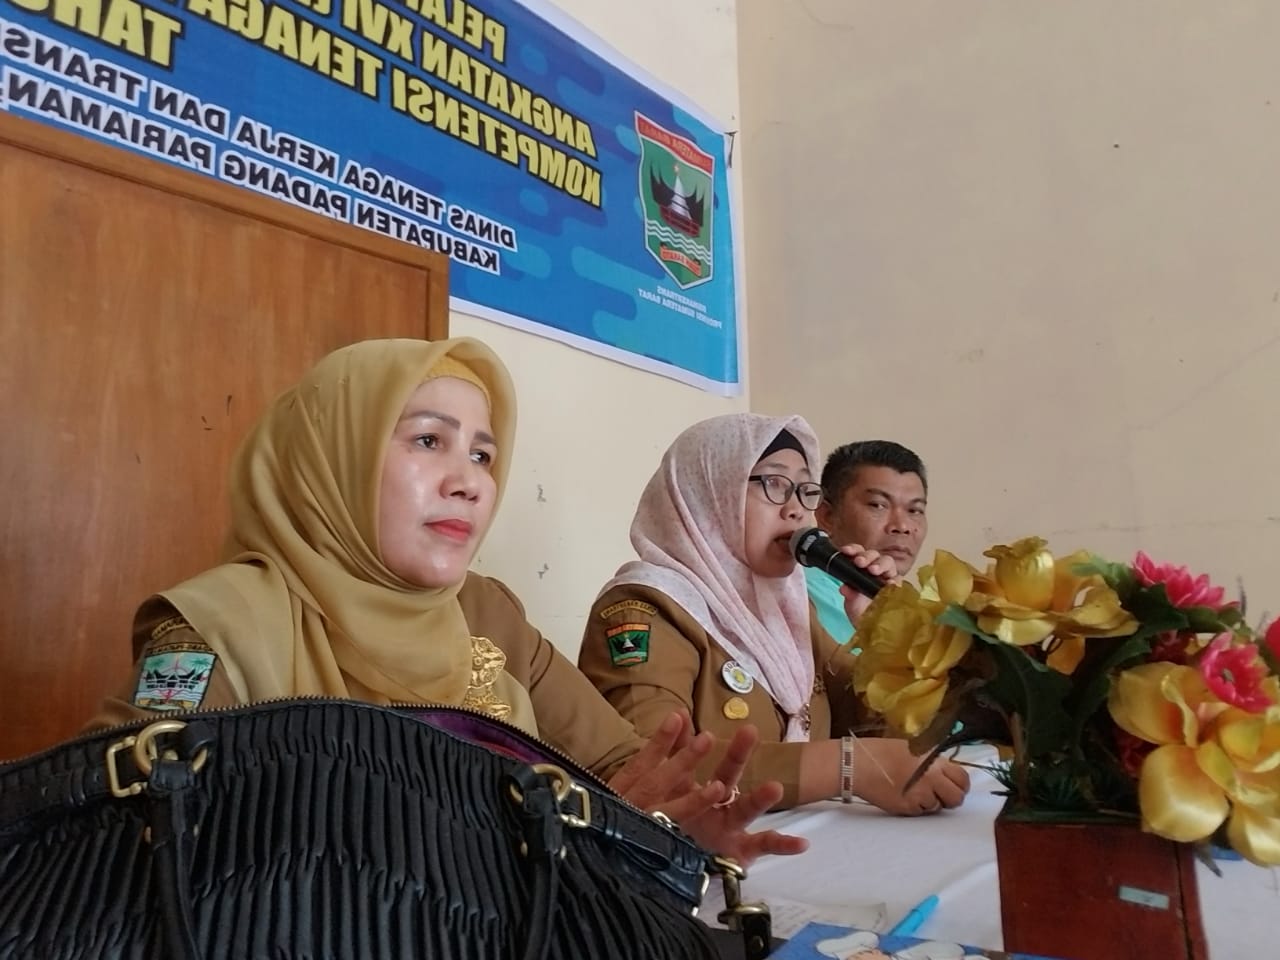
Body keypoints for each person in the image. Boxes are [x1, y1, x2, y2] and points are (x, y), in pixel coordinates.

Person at [85, 337, 806, 865]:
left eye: (483, 455)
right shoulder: (214, 627)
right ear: (328, 461)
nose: (469, 482)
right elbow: (111, 839)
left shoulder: (486, 612)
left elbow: (625, 766)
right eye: (429, 440)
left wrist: (668, 824)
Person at [577, 415, 968, 812]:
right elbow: (647, 770)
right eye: (775, 484)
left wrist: (883, 632)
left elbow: (890, 734)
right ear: (710, 493)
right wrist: (846, 767)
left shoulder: (786, 612)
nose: (796, 510)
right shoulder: (647, 609)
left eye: (804, 490)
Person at [807, 441, 929, 647]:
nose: (902, 526)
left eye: (914, 510)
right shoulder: (797, 592)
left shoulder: (919, 607)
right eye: (878, 505)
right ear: (827, 516)